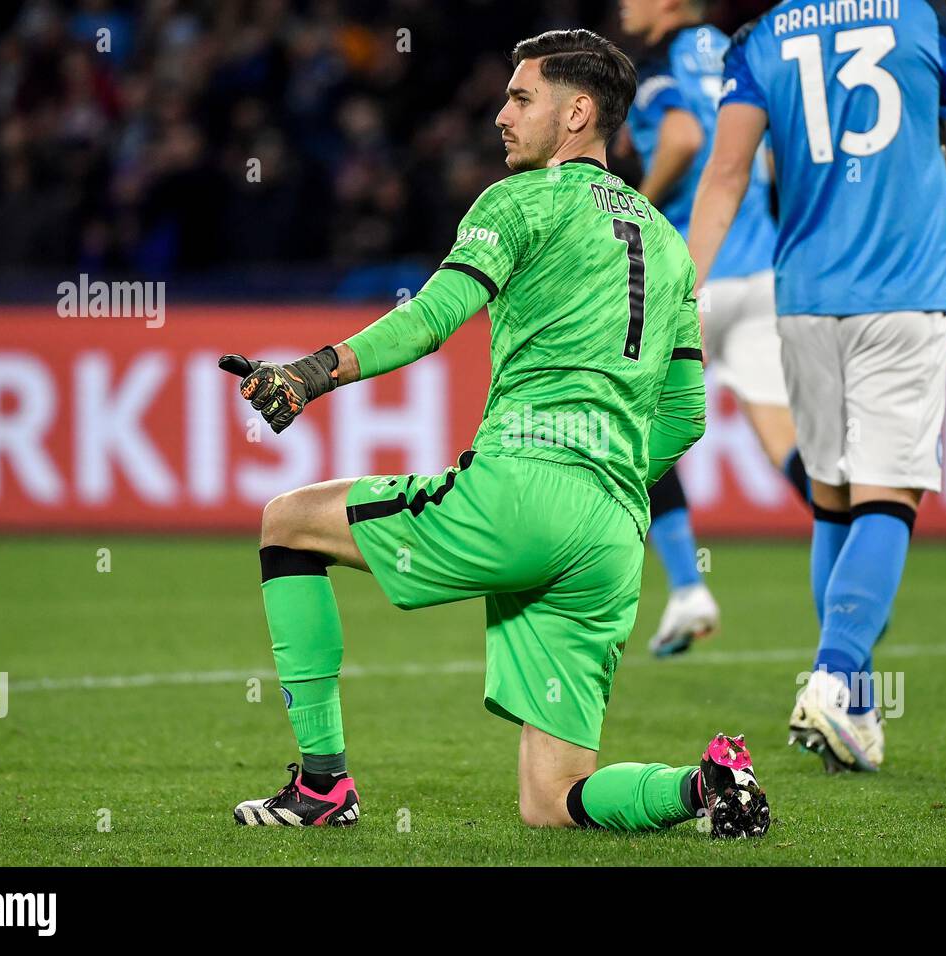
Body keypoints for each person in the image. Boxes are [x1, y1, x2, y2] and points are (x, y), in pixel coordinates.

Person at [224, 29, 770, 835]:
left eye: (521, 98)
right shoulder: (668, 242)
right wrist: (608, 474)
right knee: (553, 804)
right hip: (614, 532)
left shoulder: (519, 203)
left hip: (523, 489)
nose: (500, 116)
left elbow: (431, 319)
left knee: (288, 525)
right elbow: (686, 413)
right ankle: (705, 786)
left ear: (577, 112)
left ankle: (322, 788)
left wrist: (312, 373)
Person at [687, 0, 946, 771]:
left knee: (833, 496)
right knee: (891, 494)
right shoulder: (926, 18)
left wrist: (681, 287)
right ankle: (836, 677)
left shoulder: (762, 38)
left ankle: (851, 711)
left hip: (805, 296)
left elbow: (725, 175)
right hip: (902, 293)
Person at [619, 0, 812, 658]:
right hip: (759, 271)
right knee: (783, 438)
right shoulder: (741, 55)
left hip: (690, 271)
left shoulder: (656, 65)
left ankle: (686, 588)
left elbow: (683, 138)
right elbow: (774, 151)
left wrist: (636, 203)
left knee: (633, 427)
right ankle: (851, 553)